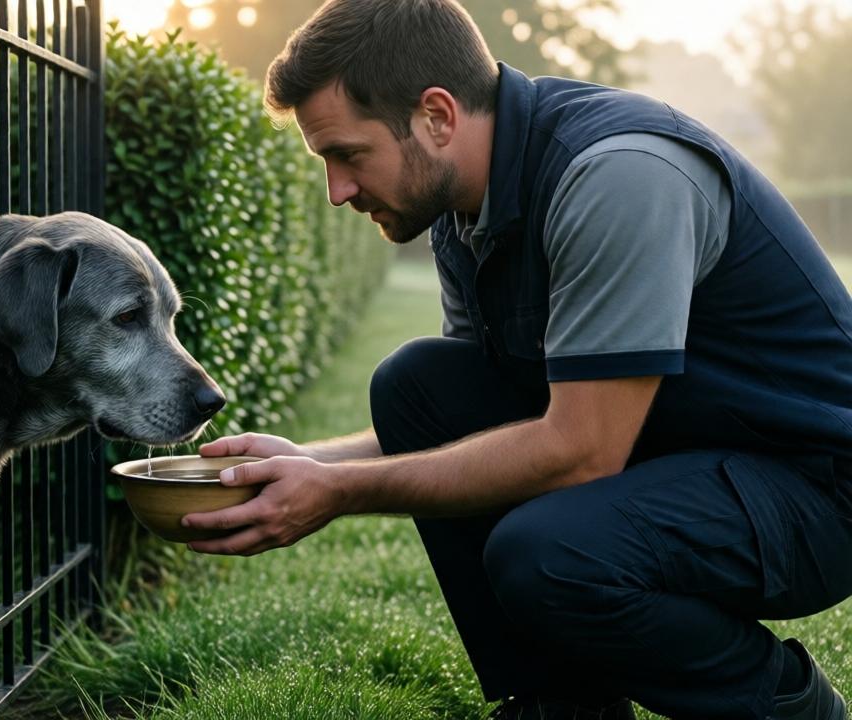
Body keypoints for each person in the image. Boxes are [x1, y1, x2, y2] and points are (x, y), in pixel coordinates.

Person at [179, 1, 852, 718]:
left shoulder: (617, 175)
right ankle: (558, 705)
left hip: (809, 490)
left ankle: (791, 706)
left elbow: (580, 451)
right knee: (418, 386)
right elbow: (466, 431)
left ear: (437, 116)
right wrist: (311, 463)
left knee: (545, 553)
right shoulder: (460, 207)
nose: (338, 191)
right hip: (675, 453)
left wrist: (341, 492)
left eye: (347, 154)